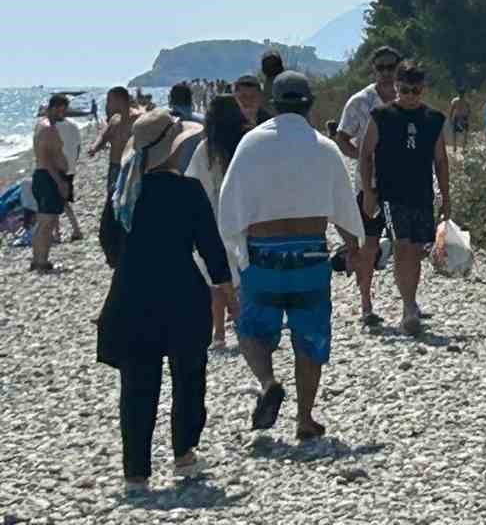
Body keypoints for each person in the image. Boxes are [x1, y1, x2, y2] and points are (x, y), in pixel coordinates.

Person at [219, 70, 364, 441]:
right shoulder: (324, 147)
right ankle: (304, 418)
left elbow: (229, 206)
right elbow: (344, 209)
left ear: (273, 102)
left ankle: (268, 383)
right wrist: (354, 247)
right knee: (310, 335)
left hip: (263, 255)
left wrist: (232, 257)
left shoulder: (251, 144)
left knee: (250, 329)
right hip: (311, 254)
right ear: (310, 104)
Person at [97, 108, 236, 495]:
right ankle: (184, 454)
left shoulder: (124, 193)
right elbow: (211, 249)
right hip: (181, 294)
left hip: (132, 294)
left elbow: (109, 245)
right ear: (171, 148)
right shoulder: (187, 190)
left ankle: (136, 474)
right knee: (189, 376)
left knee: (138, 385)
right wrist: (228, 292)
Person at [359, 59, 449, 337]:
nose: (410, 96)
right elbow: (365, 154)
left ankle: (410, 302)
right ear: (396, 87)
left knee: (415, 250)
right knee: (401, 246)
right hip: (391, 194)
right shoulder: (381, 116)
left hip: (421, 194)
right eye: (404, 90)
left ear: (422, 89)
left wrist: (446, 196)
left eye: (416, 90)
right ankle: (409, 308)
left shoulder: (433, 119)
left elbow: (441, 160)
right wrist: (369, 192)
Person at [334, 46, 402, 329]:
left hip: (403, 184)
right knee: (370, 246)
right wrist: (363, 159)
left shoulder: (406, 97)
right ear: (373, 69)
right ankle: (366, 305)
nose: (386, 73)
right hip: (370, 185)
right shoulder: (360, 102)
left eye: (391, 67)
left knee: (406, 244)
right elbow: (341, 137)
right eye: (381, 68)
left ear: (398, 67)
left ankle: (408, 301)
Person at [187, 94, 251, 348]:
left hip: (214, 217)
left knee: (216, 278)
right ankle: (246, 326)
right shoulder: (247, 142)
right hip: (246, 214)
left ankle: (219, 335)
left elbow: (195, 182)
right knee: (244, 273)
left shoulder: (206, 149)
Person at [30, 95, 72, 270]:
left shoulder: (42, 125)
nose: (64, 114)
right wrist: (59, 182)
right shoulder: (48, 129)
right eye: (62, 110)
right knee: (47, 222)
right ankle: (40, 261)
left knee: (47, 220)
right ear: (54, 108)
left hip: (45, 176)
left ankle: (40, 259)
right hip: (48, 177)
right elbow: (47, 160)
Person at [88, 87, 137, 202]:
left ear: (119, 101)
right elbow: (104, 136)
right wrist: (95, 147)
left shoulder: (137, 120)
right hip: (114, 167)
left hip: (129, 167)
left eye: (109, 101)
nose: (107, 105)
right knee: (112, 199)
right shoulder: (114, 119)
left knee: (127, 200)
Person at [54, 109, 84, 242]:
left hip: (58, 167)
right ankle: (71, 230)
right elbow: (78, 147)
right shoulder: (73, 124)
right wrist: (73, 162)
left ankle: (61, 232)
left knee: (56, 201)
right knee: (63, 201)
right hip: (70, 168)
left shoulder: (53, 126)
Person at [448, 89, 471, 155]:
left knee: (457, 133)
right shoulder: (465, 101)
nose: (461, 95)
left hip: (460, 118)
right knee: (461, 133)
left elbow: (452, 110)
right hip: (462, 118)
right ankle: (458, 147)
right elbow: (469, 111)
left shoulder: (456, 101)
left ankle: (458, 147)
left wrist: (450, 117)